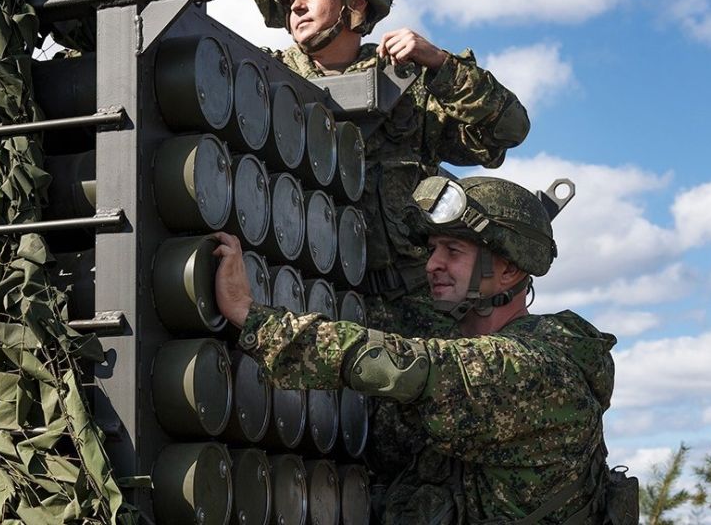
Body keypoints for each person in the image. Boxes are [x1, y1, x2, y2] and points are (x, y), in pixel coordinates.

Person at [212, 175, 617, 523]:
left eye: (453, 252)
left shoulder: (532, 369)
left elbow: (406, 366)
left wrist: (252, 316)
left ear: (508, 270)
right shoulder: (463, 339)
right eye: (433, 249)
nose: (431, 265)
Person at [247, 0, 532, 312]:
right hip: (300, 299)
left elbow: (508, 129)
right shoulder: (262, 80)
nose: (297, 7)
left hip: (409, 308)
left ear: (356, 2)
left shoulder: (407, 87)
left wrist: (441, 65)